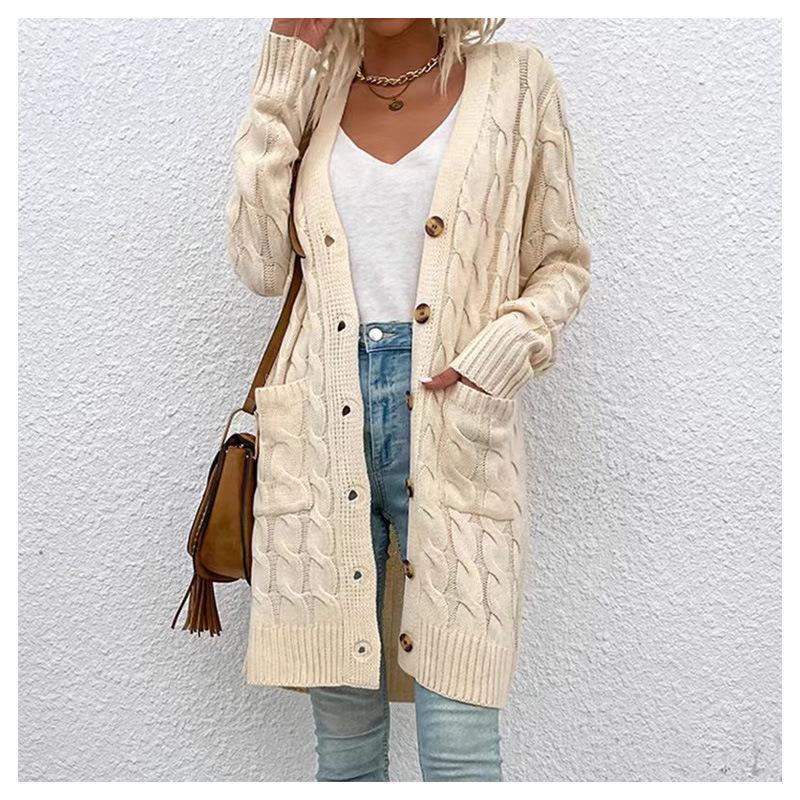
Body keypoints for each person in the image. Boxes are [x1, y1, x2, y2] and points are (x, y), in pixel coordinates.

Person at [225, 17, 591, 782]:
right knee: (346, 758)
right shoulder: (312, 93)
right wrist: (283, 73)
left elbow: (560, 263)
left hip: (458, 429)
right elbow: (261, 265)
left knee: (461, 752)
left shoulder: (518, 80)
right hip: (319, 434)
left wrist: (500, 355)